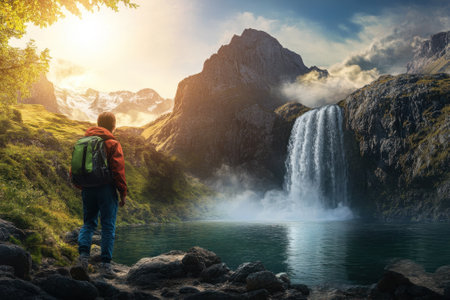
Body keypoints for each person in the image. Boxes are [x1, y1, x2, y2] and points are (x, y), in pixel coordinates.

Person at [71, 112, 127, 278]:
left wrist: (81, 185)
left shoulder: (83, 142)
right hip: (106, 188)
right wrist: (122, 192)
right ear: (113, 125)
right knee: (108, 225)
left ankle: (82, 260)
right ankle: (106, 265)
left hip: (87, 188)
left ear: (98, 123)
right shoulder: (112, 143)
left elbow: (74, 168)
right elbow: (118, 170)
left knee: (88, 223)